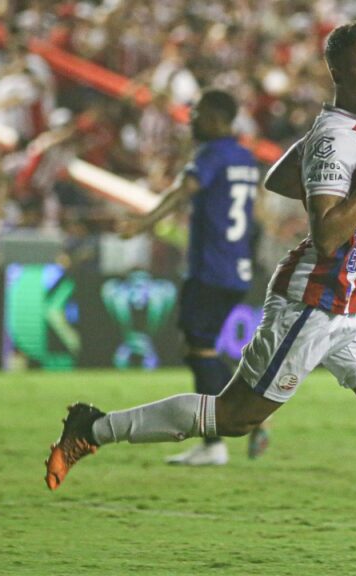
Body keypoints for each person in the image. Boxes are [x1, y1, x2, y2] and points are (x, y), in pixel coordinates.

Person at [45, 21, 356, 576]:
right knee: (236, 416)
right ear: (339, 73)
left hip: (355, 304)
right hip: (314, 303)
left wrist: (352, 174)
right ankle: (93, 428)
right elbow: (326, 235)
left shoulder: (348, 130)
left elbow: (276, 176)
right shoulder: (338, 137)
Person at [116, 88, 270, 465]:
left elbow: (184, 189)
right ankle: (229, 430)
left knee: (199, 349)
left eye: (198, 113)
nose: (191, 120)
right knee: (200, 348)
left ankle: (232, 432)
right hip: (235, 268)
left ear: (217, 119)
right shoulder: (246, 158)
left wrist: (144, 222)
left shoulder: (212, 155)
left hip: (211, 269)